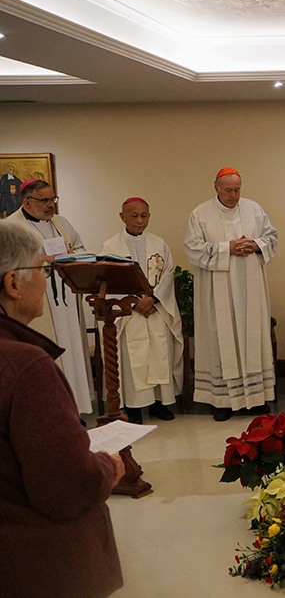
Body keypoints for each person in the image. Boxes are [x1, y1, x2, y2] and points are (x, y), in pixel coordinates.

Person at [0, 221, 125, 597]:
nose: (46, 279)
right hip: (32, 561)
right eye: (43, 269)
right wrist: (107, 465)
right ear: (13, 283)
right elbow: (67, 489)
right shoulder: (25, 366)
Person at [185, 168, 277, 421]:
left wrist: (256, 245)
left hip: (251, 289)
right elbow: (193, 248)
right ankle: (222, 401)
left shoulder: (254, 209)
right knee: (220, 339)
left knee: (252, 336)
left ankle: (256, 399)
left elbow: (272, 236)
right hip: (218, 291)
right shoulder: (200, 214)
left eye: (237, 189)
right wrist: (228, 248)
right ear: (216, 188)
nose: (234, 195)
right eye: (228, 190)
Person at [4, 178, 93, 414]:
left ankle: (77, 409)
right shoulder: (11, 227)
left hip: (66, 299)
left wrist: (73, 255)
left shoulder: (61, 223)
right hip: (39, 302)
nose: (51, 205)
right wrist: (41, 261)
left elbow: (82, 248)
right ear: (27, 202)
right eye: (44, 200)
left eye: (53, 199)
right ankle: (54, 410)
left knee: (72, 350)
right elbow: (9, 265)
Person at [101, 197, 184, 424]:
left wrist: (154, 299)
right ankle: (135, 408)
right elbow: (108, 279)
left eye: (144, 215)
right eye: (134, 216)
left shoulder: (159, 243)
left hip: (156, 309)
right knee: (133, 360)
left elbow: (167, 274)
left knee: (159, 355)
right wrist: (135, 302)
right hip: (129, 314)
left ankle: (160, 403)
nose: (139, 220)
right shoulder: (110, 247)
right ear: (122, 217)